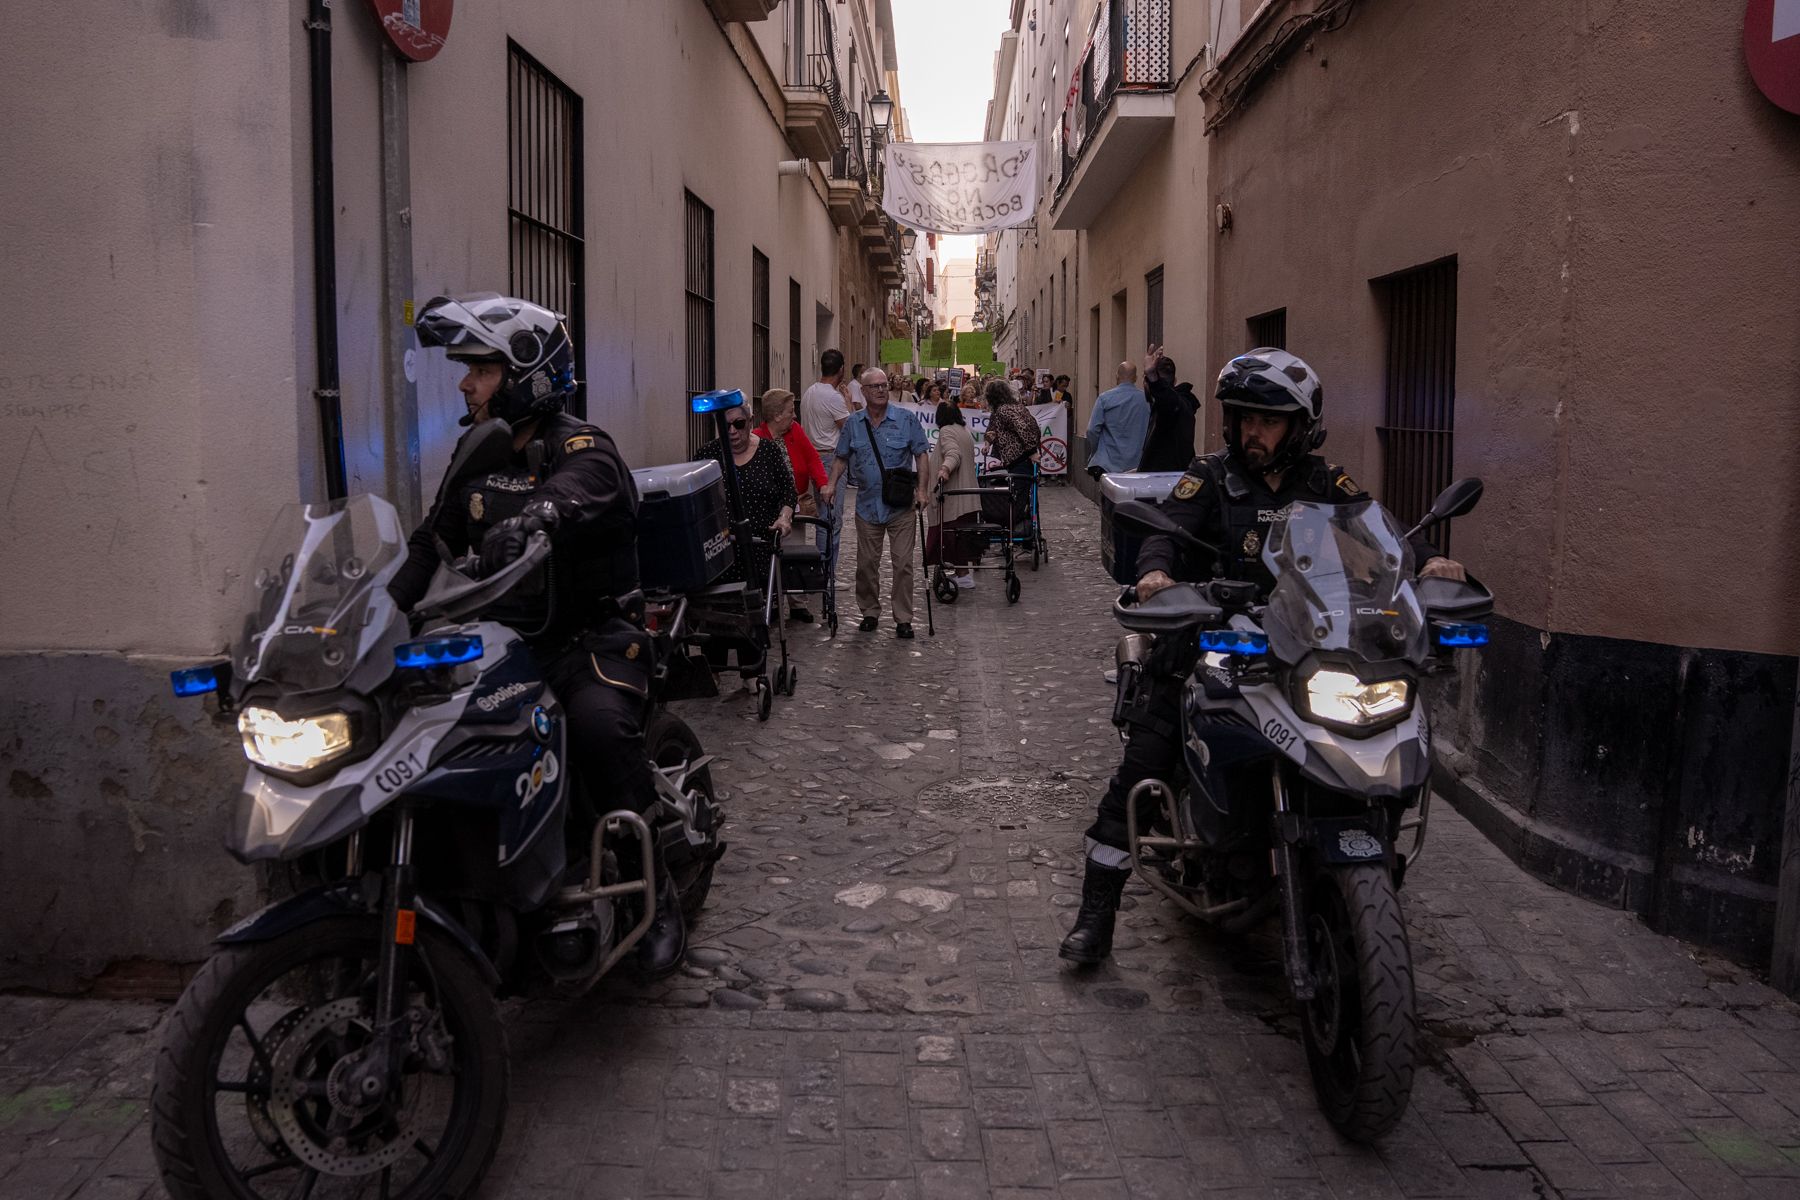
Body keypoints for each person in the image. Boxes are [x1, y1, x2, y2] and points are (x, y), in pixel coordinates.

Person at [1060, 347, 1468, 965]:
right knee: (1147, 756)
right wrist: (1158, 575)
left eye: (1269, 420)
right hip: (1219, 640)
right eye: (1245, 418)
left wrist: (1428, 556)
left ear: (1299, 427)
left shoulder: (1327, 483)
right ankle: (1096, 916)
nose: (1253, 431)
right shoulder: (1209, 477)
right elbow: (1165, 532)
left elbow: (1379, 534)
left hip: (1310, 645)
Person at [388, 293, 686, 978]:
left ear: (529, 374)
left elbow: (594, 479)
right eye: (468, 370)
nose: (466, 384)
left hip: (591, 639)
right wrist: (381, 610)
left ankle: (658, 885)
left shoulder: (577, 442)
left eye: (483, 370)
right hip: (504, 644)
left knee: (596, 727)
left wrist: (542, 511)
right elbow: (433, 539)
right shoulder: (476, 453)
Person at [827, 368, 931, 638]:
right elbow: (840, 457)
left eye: (884, 385)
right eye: (875, 386)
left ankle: (904, 618)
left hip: (900, 506)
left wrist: (922, 490)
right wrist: (830, 484)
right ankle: (870, 611)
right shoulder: (853, 424)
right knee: (866, 565)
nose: (882, 390)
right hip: (867, 506)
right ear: (863, 391)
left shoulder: (906, 420)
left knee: (903, 564)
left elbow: (921, 454)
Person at [695, 396, 797, 595]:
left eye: (738, 424)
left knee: (762, 612)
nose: (732, 431)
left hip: (760, 550)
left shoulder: (769, 452)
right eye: (725, 425)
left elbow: (788, 491)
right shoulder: (707, 455)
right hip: (720, 552)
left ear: (750, 421)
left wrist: (784, 518)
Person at [752, 387, 830, 622]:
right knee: (770, 555)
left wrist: (823, 483)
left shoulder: (795, 431)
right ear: (776, 415)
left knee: (796, 553)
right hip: (769, 509)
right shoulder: (757, 438)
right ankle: (773, 602)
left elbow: (812, 458)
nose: (794, 416)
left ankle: (797, 602)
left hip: (797, 503)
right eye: (790, 411)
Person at [800, 350, 852, 580]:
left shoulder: (810, 391)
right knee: (831, 518)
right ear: (841, 369)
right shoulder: (833, 397)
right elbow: (850, 430)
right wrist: (848, 403)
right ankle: (825, 574)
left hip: (814, 457)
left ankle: (820, 571)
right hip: (830, 460)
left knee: (824, 516)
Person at [931, 400, 980, 589]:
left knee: (954, 538)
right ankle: (963, 572)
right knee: (962, 538)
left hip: (955, 498)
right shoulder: (963, 431)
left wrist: (944, 468)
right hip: (968, 497)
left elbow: (953, 454)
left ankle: (963, 575)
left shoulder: (946, 431)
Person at [983, 378, 1041, 526]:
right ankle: (1022, 527)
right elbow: (1033, 426)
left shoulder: (1004, 410)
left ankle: (1013, 527)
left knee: (1019, 497)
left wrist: (1032, 451)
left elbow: (1023, 428)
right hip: (1020, 458)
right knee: (1023, 494)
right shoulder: (1015, 407)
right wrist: (989, 441)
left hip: (1019, 458)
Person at [1136, 344, 1200, 473]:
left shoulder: (1175, 406)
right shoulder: (1181, 405)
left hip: (1166, 485)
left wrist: (1153, 379)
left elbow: (1168, 402)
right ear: (1175, 381)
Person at [1085, 361, 1149, 480]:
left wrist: (1095, 452)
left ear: (1116, 376)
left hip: (1109, 465)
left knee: (1109, 495)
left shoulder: (1105, 399)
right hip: (1137, 465)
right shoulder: (1146, 400)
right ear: (1135, 378)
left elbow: (1092, 430)